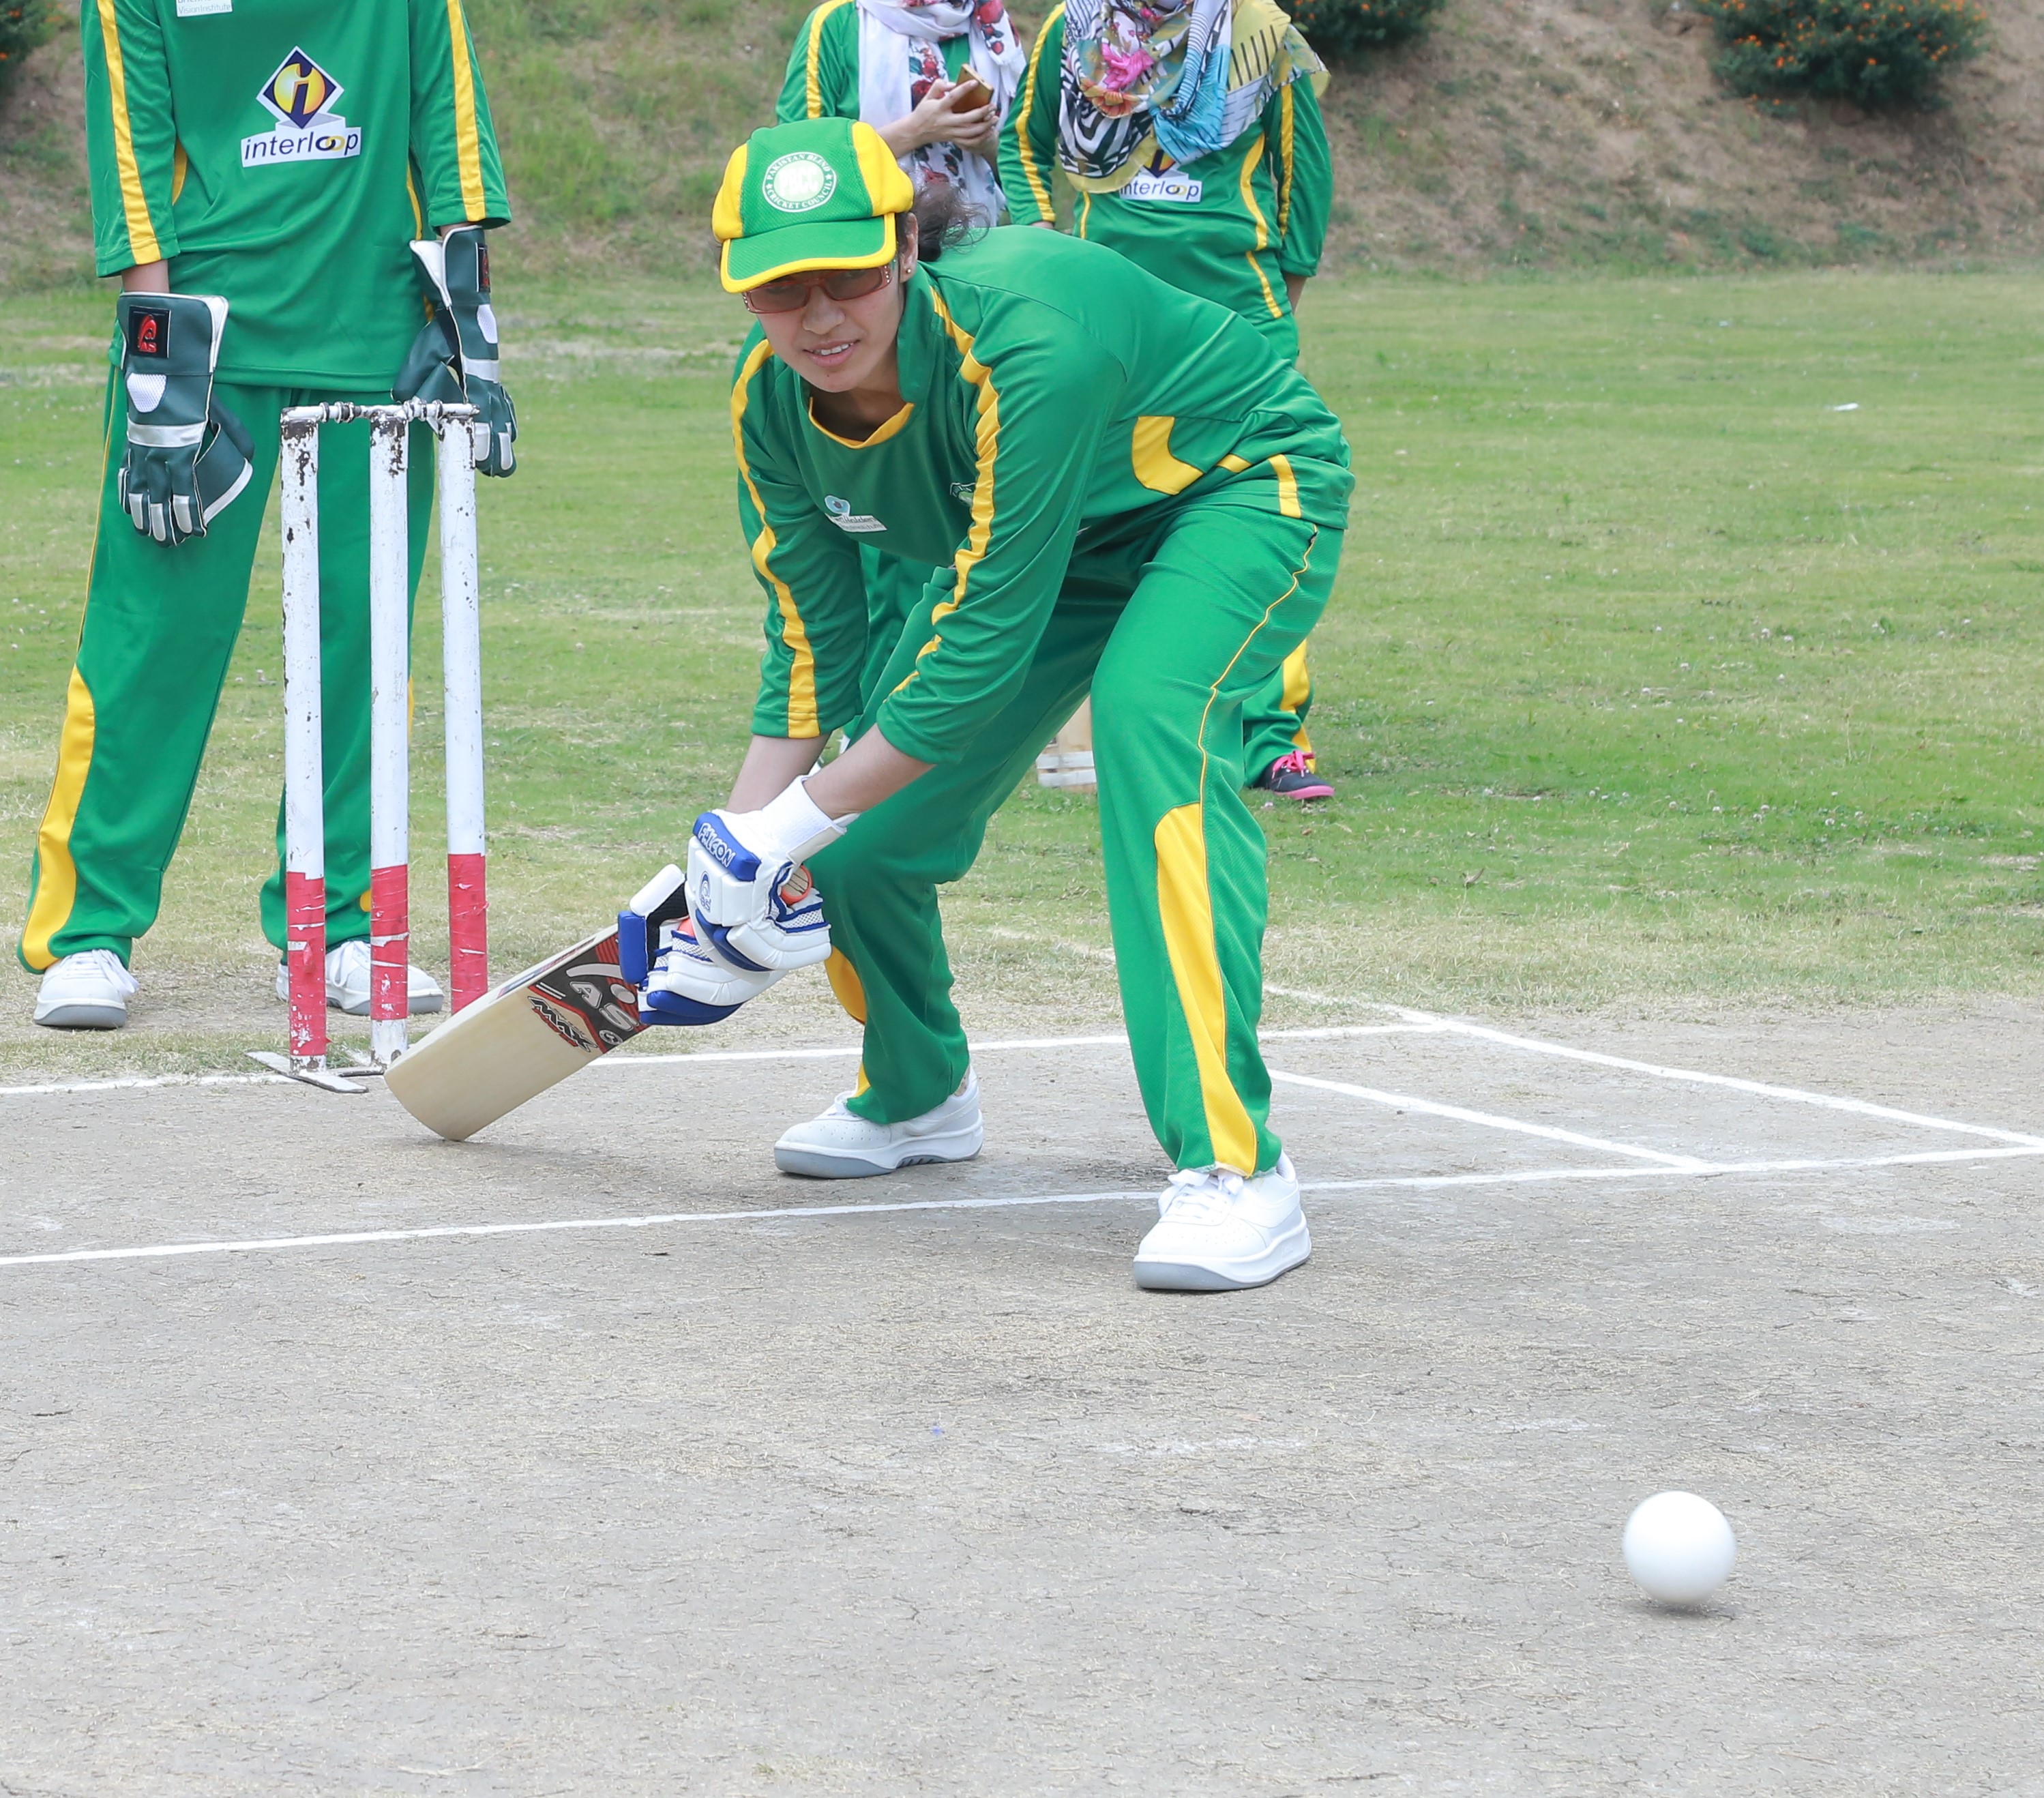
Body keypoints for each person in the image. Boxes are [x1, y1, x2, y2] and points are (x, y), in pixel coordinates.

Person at [646, 117, 1350, 1292]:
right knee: (863, 836)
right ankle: (917, 1093)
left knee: (1150, 723)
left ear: (906, 249)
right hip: (1055, 546)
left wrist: (781, 831)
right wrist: (724, 859)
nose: (820, 317)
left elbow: (981, 647)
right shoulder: (768, 406)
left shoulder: (1026, 342)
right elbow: (816, 649)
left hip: (1231, 487)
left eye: (850, 276)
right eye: (779, 289)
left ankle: (1237, 1170)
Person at [21, 0, 515, 1030]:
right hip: (209, 353)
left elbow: (452, 142)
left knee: (361, 648)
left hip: (378, 342)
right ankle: (90, 934)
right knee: (150, 644)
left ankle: (339, 924)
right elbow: (133, 162)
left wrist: (467, 330)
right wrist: (161, 375)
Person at [999, 0, 1336, 802]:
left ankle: (1272, 738)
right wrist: (1045, 240)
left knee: (1262, 516)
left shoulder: (1261, 32)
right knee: (1107, 514)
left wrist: (1276, 300)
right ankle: (1096, 721)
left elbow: (1304, 179)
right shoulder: (1075, 27)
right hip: (1116, 326)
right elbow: (1022, 142)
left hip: (1239, 317)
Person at [776, 0, 1028, 725]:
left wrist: (983, 145)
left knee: (963, 497)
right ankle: (873, 724)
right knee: (883, 522)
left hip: (975, 274)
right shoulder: (840, 27)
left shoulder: (992, 28)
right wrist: (918, 132)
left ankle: (950, 712)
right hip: (867, 281)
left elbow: (1028, 158)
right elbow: (797, 169)